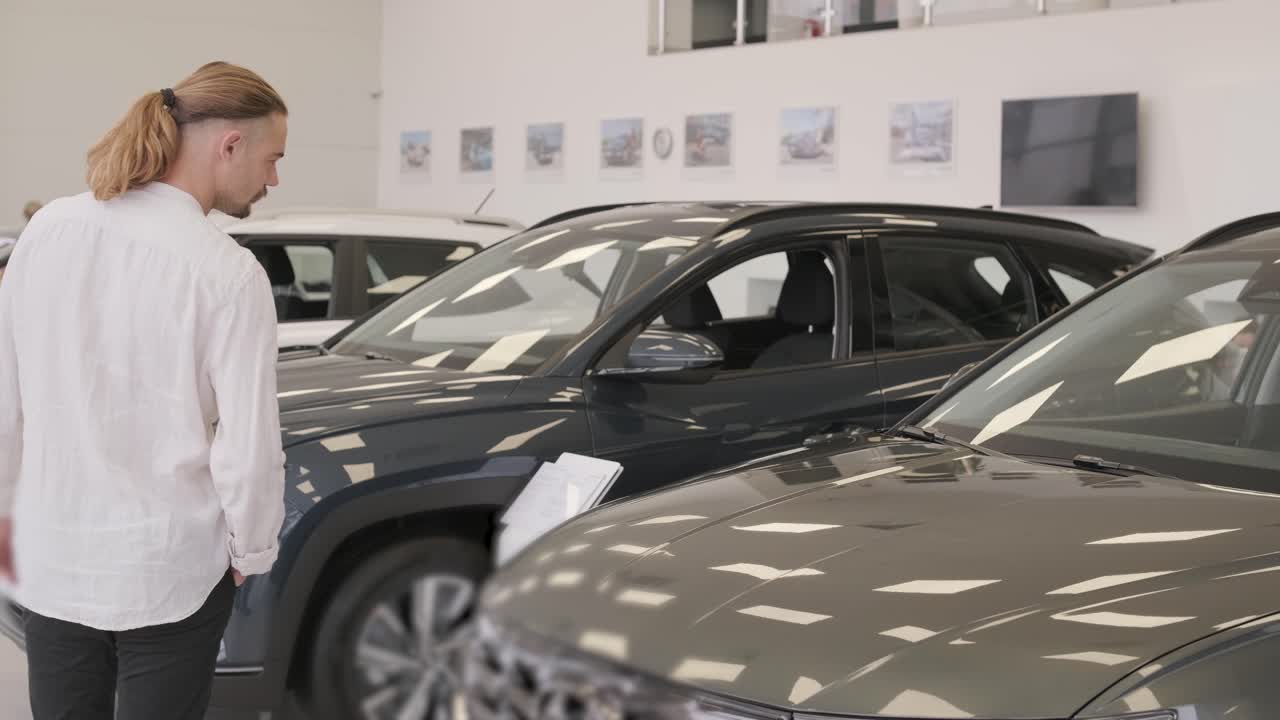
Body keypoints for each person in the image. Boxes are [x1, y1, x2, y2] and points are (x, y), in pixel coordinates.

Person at [0, 61, 289, 720]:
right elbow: (247, 446)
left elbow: (5, 398)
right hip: (170, 567)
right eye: (273, 158)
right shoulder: (226, 272)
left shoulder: (48, 230)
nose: (274, 177)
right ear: (229, 145)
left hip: (56, 554)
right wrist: (251, 547)